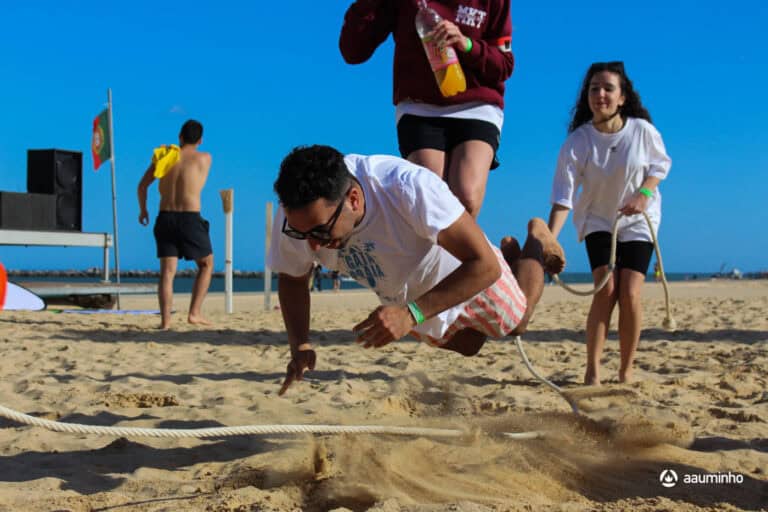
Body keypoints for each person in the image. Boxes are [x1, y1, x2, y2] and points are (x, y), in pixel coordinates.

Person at [268, 145, 565, 396]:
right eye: (301, 234)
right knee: (470, 346)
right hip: (404, 291)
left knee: (517, 323)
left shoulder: (406, 186)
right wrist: (300, 343)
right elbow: (293, 279)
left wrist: (411, 315)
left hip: (460, 267)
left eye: (321, 232)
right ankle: (514, 262)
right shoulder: (298, 216)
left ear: (354, 200)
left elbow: (484, 265)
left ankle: (535, 240)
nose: (313, 246)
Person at [547, 61, 671, 385]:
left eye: (608, 89)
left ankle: (626, 371)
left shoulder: (642, 131)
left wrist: (643, 194)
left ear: (622, 97)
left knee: (630, 292)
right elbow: (563, 196)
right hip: (598, 218)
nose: (600, 94)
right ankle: (593, 370)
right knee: (606, 289)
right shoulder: (578, 142)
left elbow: (660, 165)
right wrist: (550, 240)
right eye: (593, 89)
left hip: (639, 219)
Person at [339, 0, 514, 218]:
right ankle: (443, 251)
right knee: (430, 200)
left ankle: (470, 251)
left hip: (477, 104)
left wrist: (466, 44)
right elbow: (353, 52)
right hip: (419, 106)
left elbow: (504, 64)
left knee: (466, 195)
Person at [137, 120, 214, 329]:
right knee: (206, 264)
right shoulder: (205, 158)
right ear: (200, 140)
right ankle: (194, 313)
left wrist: (143, 210)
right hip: (190, 217)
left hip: (165, 216)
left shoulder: (165, 157)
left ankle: (165, 322)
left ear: (180, 136)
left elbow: (142, 186)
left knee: (167, 272)